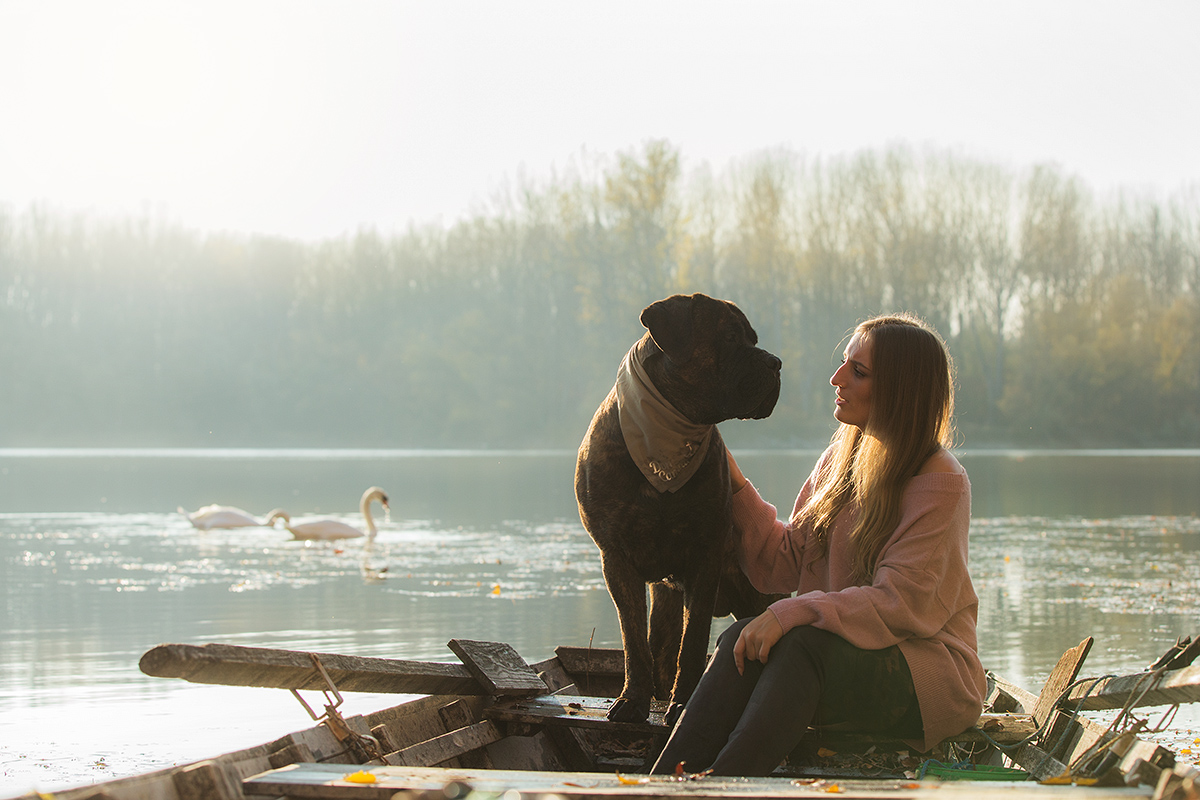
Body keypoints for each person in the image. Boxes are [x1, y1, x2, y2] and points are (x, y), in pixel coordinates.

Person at [649, 312, 986, 777]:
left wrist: (786, 614)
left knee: (800, 644)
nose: (836, 378)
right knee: (737, 642)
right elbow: (780, 562)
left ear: (901, 390)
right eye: (845, 364)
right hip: (833, 658)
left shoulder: (941, 481)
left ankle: (722, 789)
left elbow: (899, 604)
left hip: (928, 678)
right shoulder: (842, 458)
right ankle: (661, 785)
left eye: (859, 372)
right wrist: (725, 470)